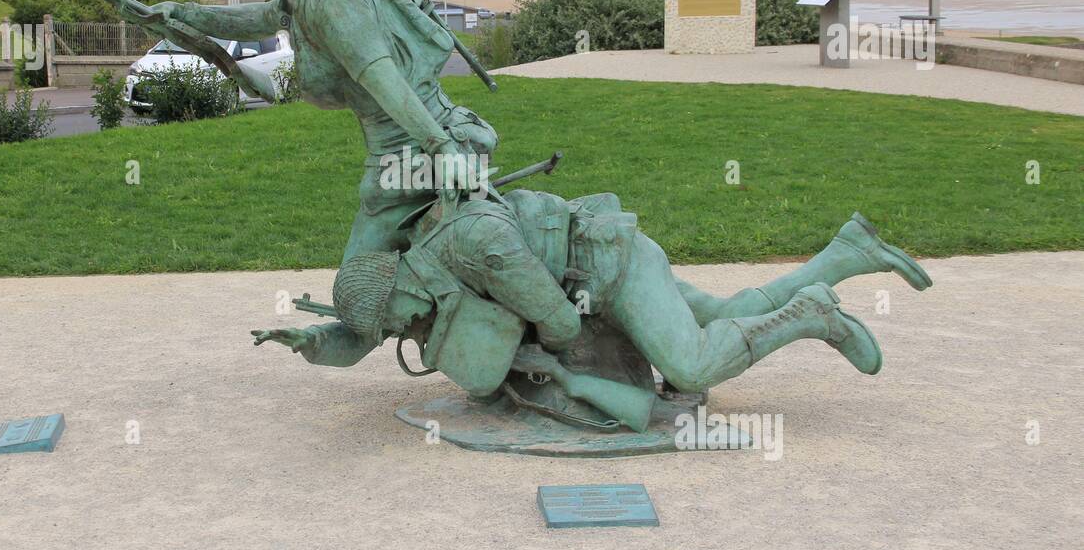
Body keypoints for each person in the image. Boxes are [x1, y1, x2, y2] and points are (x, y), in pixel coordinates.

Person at [252, 191, 932, 424]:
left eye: (399, 323)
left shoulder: (477, 246)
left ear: (399, 293)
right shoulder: (420, 264)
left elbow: (562, 323)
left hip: (612, 273)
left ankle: (811, 313)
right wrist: (319, 343)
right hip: (609, 262)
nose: (405, 332)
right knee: (719, 309)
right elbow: (370, 328)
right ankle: (847, 252)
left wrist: (527, 356)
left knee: (691, 366)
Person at [143, 0, 496, 260]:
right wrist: (181, 13)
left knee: (359, 282)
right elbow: (260, 19)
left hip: (410, 154)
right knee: (428, 263)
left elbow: (381, 78)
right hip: (424, 143)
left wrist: (442, 150)